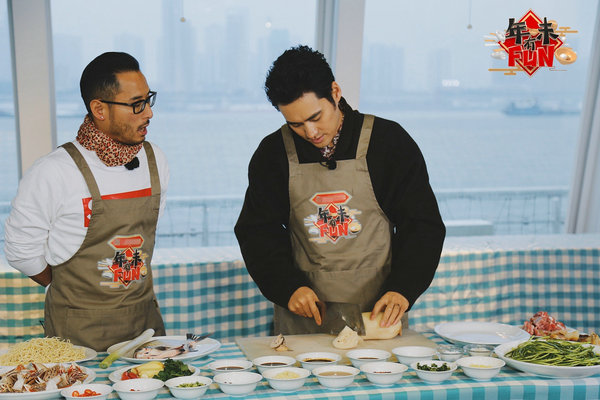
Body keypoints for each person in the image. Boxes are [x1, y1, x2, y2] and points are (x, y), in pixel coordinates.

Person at [235, 45, 445, 335]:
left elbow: (422, 225)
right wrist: (288, 287)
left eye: (315, 117)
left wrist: (403, 288)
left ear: (335, 92)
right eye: (295, 124)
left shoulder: (388, 142)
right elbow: (258, 231)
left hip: (378, 313)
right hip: (305, 317)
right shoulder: (272, 153)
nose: (310, 133)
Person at [4, 52, 168, 351]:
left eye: (148, 100)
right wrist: (69, 289)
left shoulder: (154, 159)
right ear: (99, 109)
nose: (148, 113)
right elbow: (20, 250)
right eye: (136, 104)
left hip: (144, 325)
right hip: (78, 332)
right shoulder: (54, 170)